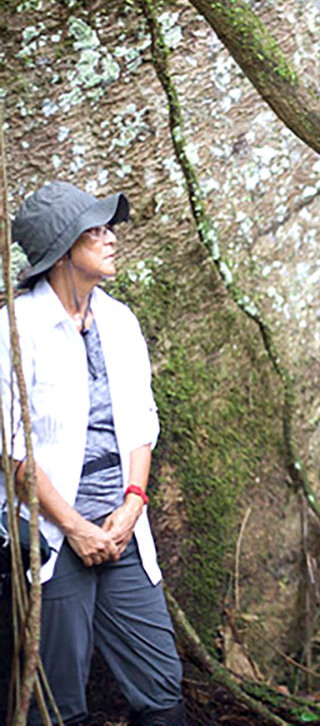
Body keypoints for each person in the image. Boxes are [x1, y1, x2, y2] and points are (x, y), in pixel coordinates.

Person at [0, 181, 186, 726]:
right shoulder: (15, 329)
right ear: (62, 250)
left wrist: (132, 503)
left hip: (122, 526)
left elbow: (141, 424)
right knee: (56, 698)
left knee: (162, 686)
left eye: (109, 228)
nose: (110, 239)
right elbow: (9, 448)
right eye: (95, 230)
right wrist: (75, 526)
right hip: (52, 535)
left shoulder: (120, 321)